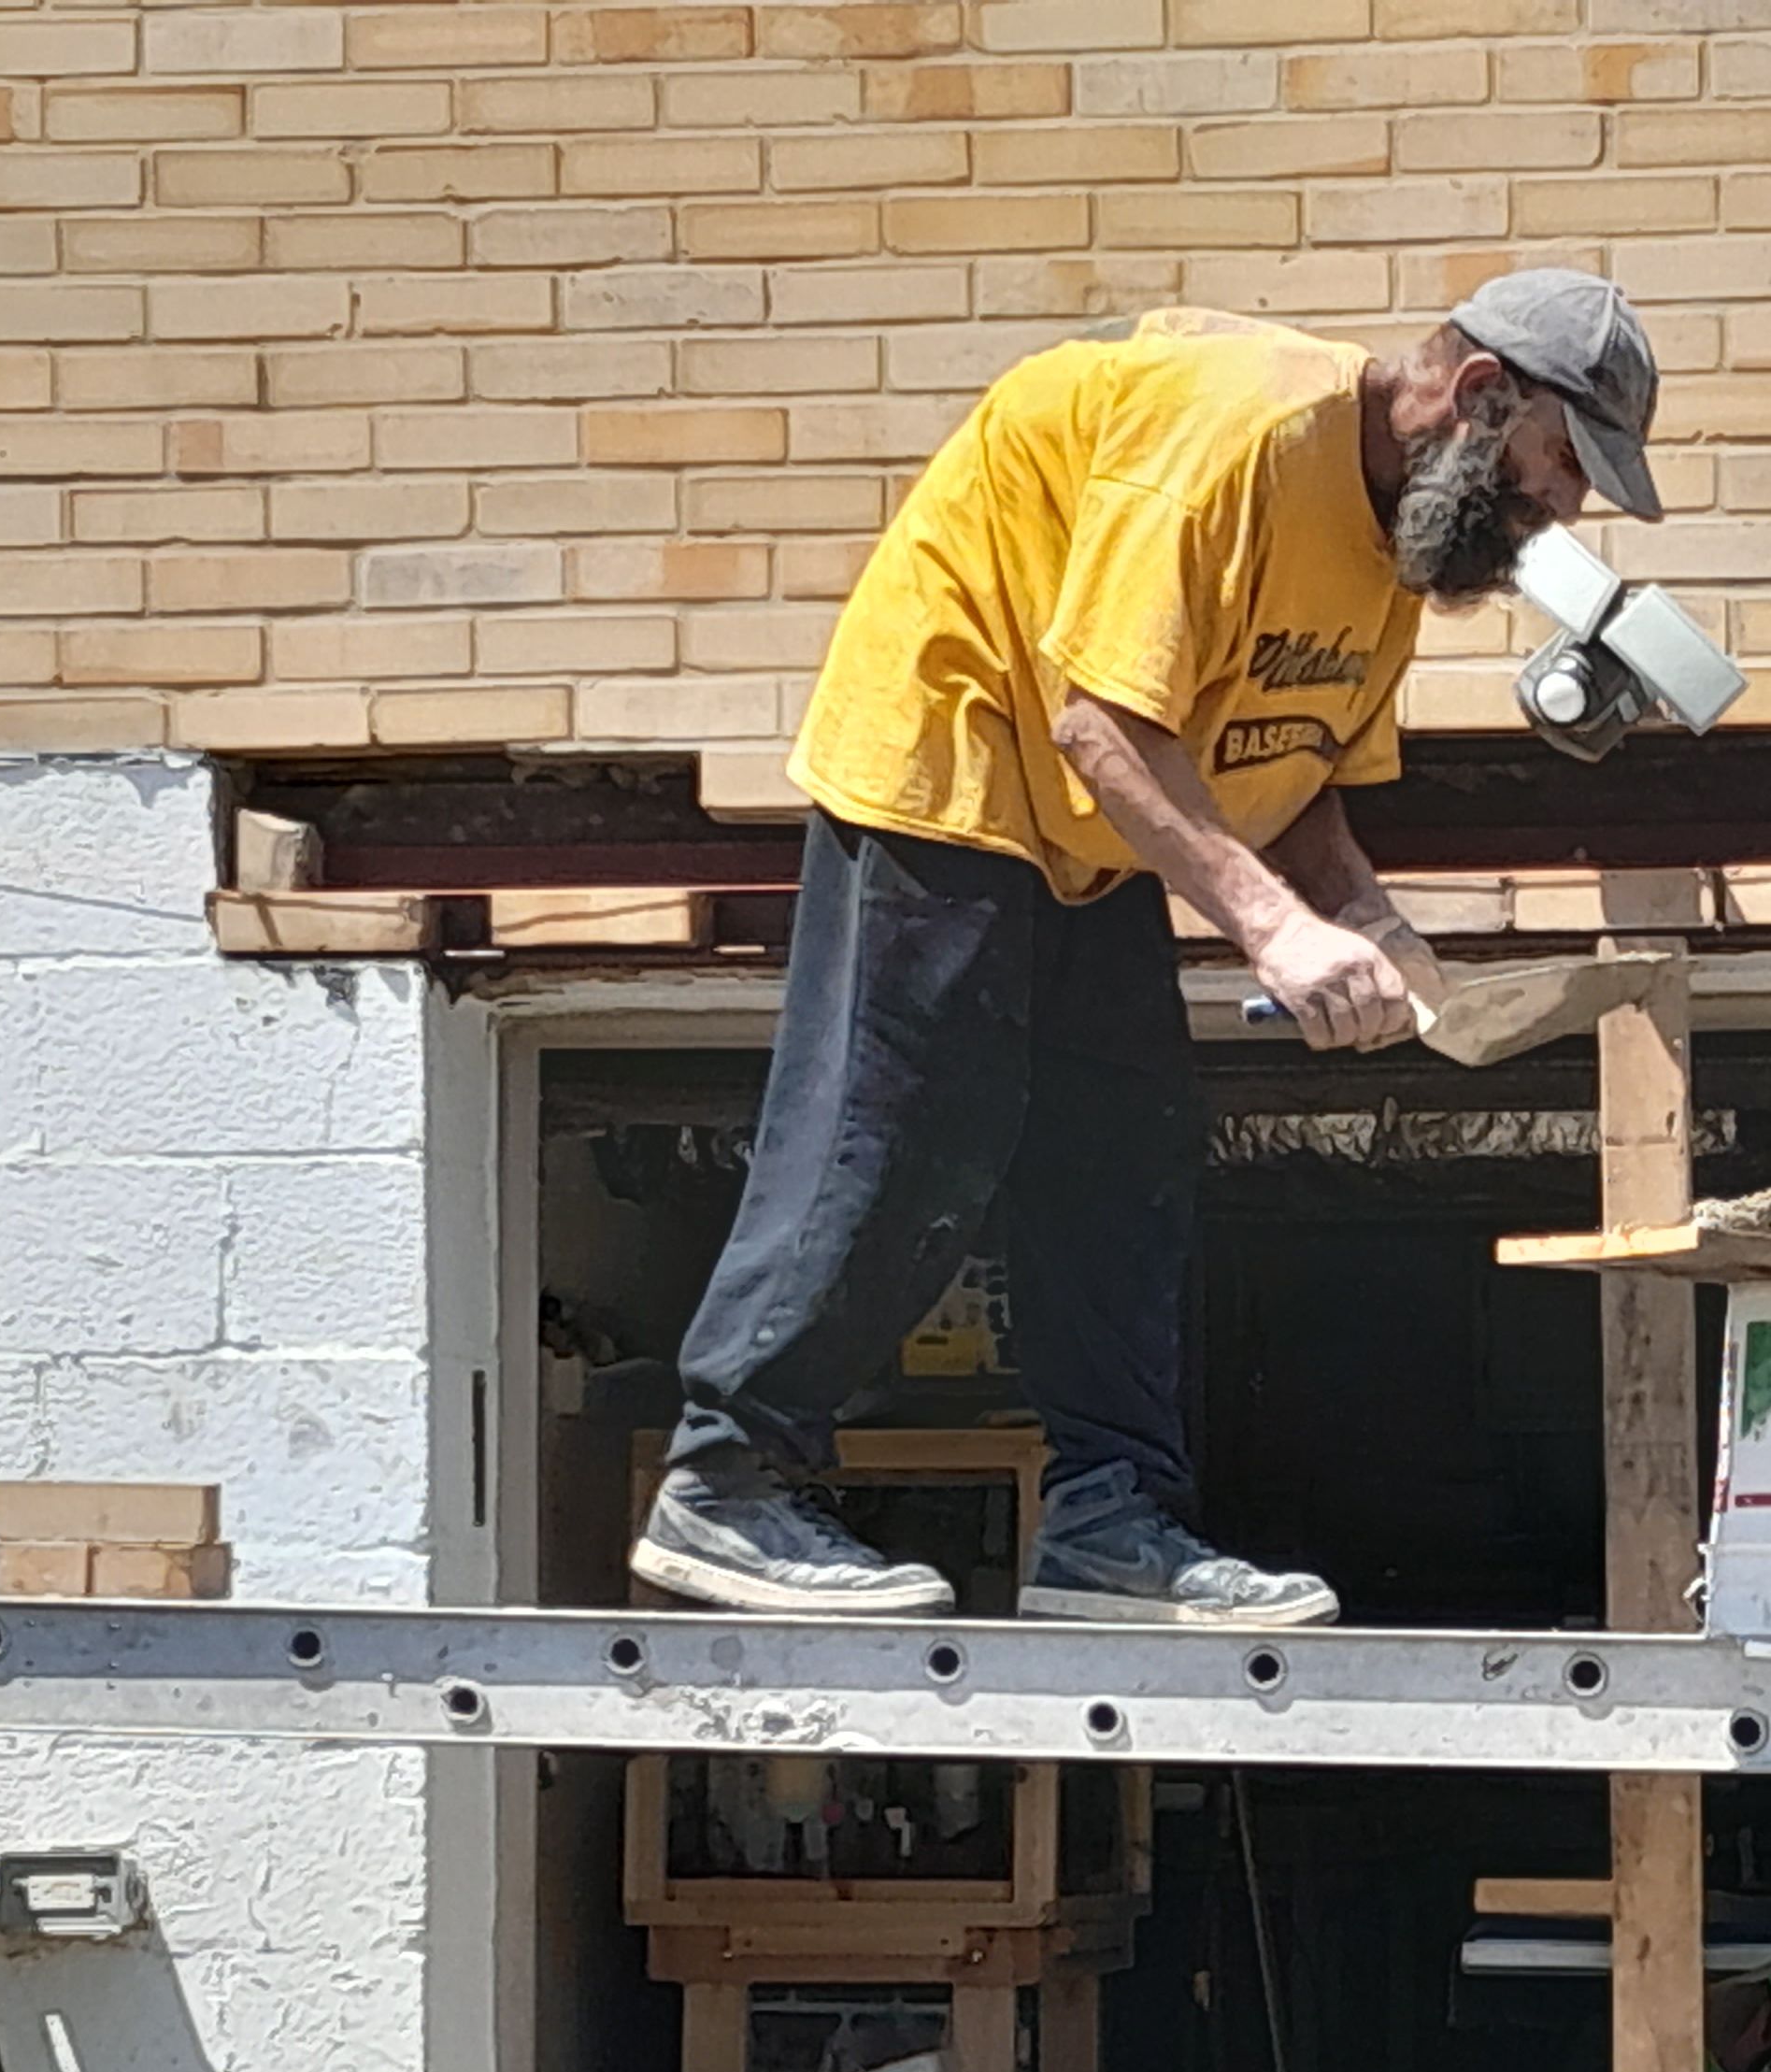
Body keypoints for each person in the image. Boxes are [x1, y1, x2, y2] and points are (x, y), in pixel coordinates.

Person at [631, 271, 1664, 1624]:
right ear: (1479, 398)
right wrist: (1273, 930)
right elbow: (1100, 727)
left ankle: (1110, 1527)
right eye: (1559, 471)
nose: (1562, 515)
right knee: (907, 1118)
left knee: (1122, 1153)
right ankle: (725, 1486)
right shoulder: (1230, 444)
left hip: (1095, 824)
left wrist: (1369, 921)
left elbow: (1294, 769)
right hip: (956, 746)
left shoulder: (1404, 540)